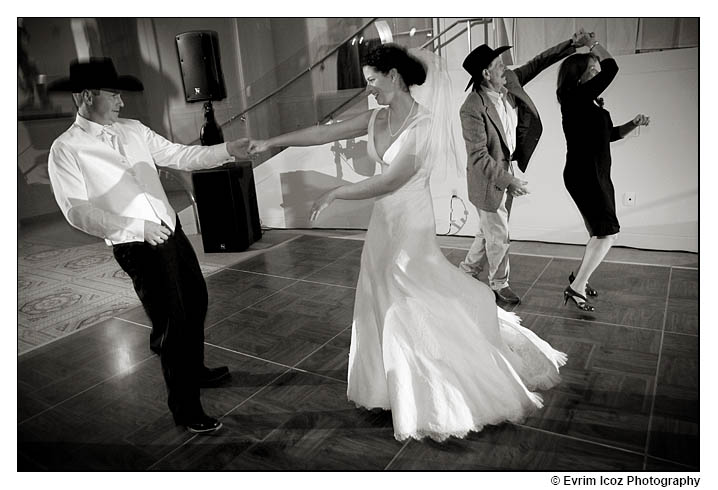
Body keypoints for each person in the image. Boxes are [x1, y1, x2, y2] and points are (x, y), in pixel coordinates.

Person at [248, 43, 567, 442]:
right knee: (380, 293)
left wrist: (335, 193)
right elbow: (323, 132)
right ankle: (386, 385)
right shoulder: (376, 117)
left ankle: (435, 383)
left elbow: (391, 180)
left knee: (411, 295)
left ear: (395, 78)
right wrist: (271, 142)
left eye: (373, 81)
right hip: (383, 223)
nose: (370, 90)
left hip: (411, 226)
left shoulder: (425, 124)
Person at [47, 57, 251, 433]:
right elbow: (77, 212)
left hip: (169, 229)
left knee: (196, 300)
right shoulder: (66, 149)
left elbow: (180, 154)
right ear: (88, 96)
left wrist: (227, 150)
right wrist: (136, 227)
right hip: (135, 243)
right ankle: (186, 408)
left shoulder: (133, 129)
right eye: (114, 95)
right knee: (172, 321)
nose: (121, 102)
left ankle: (195, 368)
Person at [458, 31, 592, 305]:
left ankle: (466, 272)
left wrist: (570, 44)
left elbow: (538, 62)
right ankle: (498, 285)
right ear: (486, 74)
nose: (505, 68)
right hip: (487, 180)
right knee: (499, 235)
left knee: (489, 230)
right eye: (498, 65)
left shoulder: (510, 82)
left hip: (505, 171)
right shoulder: (471, 108)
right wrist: (509, 181)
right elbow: (478, 157)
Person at [556, 35, 650, 311]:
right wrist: (591, 44)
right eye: (593, 70)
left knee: (601, 233)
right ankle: (576, 288)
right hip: (585, 175)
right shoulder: (574, 99)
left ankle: (579, 279)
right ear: (580, 77)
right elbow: (613, 68)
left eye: (597, 69)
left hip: (596, 174)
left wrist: (633, 124)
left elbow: (609, 136)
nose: (599, 73)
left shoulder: (591, 104)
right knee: (608, 234)